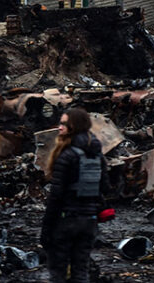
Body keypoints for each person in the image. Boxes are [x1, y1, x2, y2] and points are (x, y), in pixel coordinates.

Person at [41, 108, 107, 283]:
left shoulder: (67, 155)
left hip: (66, 221)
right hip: (89, 221)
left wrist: (46, 228)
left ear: (74, 126)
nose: (59, 127)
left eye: (64, 124)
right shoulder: (98, 155)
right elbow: (105, 187)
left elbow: (56, 195)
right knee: (81, 270)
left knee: (58, 271)